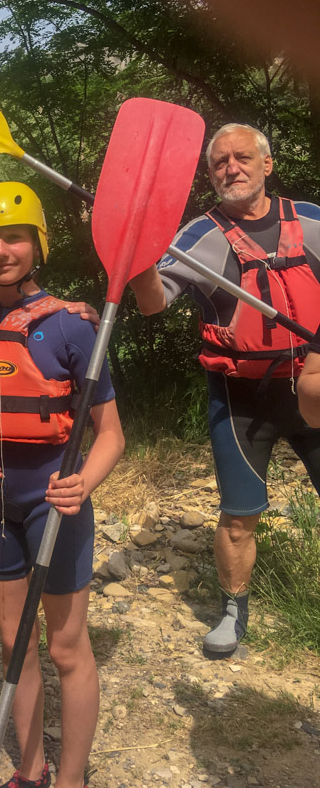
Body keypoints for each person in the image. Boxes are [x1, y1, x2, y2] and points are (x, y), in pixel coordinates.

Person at [0, 182, 125, 788]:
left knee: (67, 647)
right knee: (14, 645)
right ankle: (30, 771)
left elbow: (110, 434)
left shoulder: (72, 326)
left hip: (54, 505)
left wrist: (85, 483)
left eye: (12, 237)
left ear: (37, 244)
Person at [130, 123, 320, 656]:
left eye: (241, 158)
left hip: (313, 385)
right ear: (210, 174)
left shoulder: (310, 221)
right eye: (219, 162)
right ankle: (234, 610)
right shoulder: (196, 237)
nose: (231, 168)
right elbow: (151, 302)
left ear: (267, 165)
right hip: (241, 397)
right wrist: (140, 254)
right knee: (239, 515)